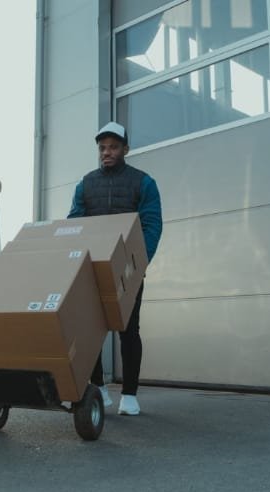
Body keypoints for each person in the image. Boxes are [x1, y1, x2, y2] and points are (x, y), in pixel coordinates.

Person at [68, 122, 162, 416]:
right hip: (91, 269)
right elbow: (75, 222)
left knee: (128, 330)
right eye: (102, 148)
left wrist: (139, 263)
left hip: (128, 271)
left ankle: (129, 396)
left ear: (125, 149)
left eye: (113, 147)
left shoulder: (143, 183)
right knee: (90, 330)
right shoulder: (85, 184)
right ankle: (98, 387)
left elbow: (152, 225)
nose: (106, 152)